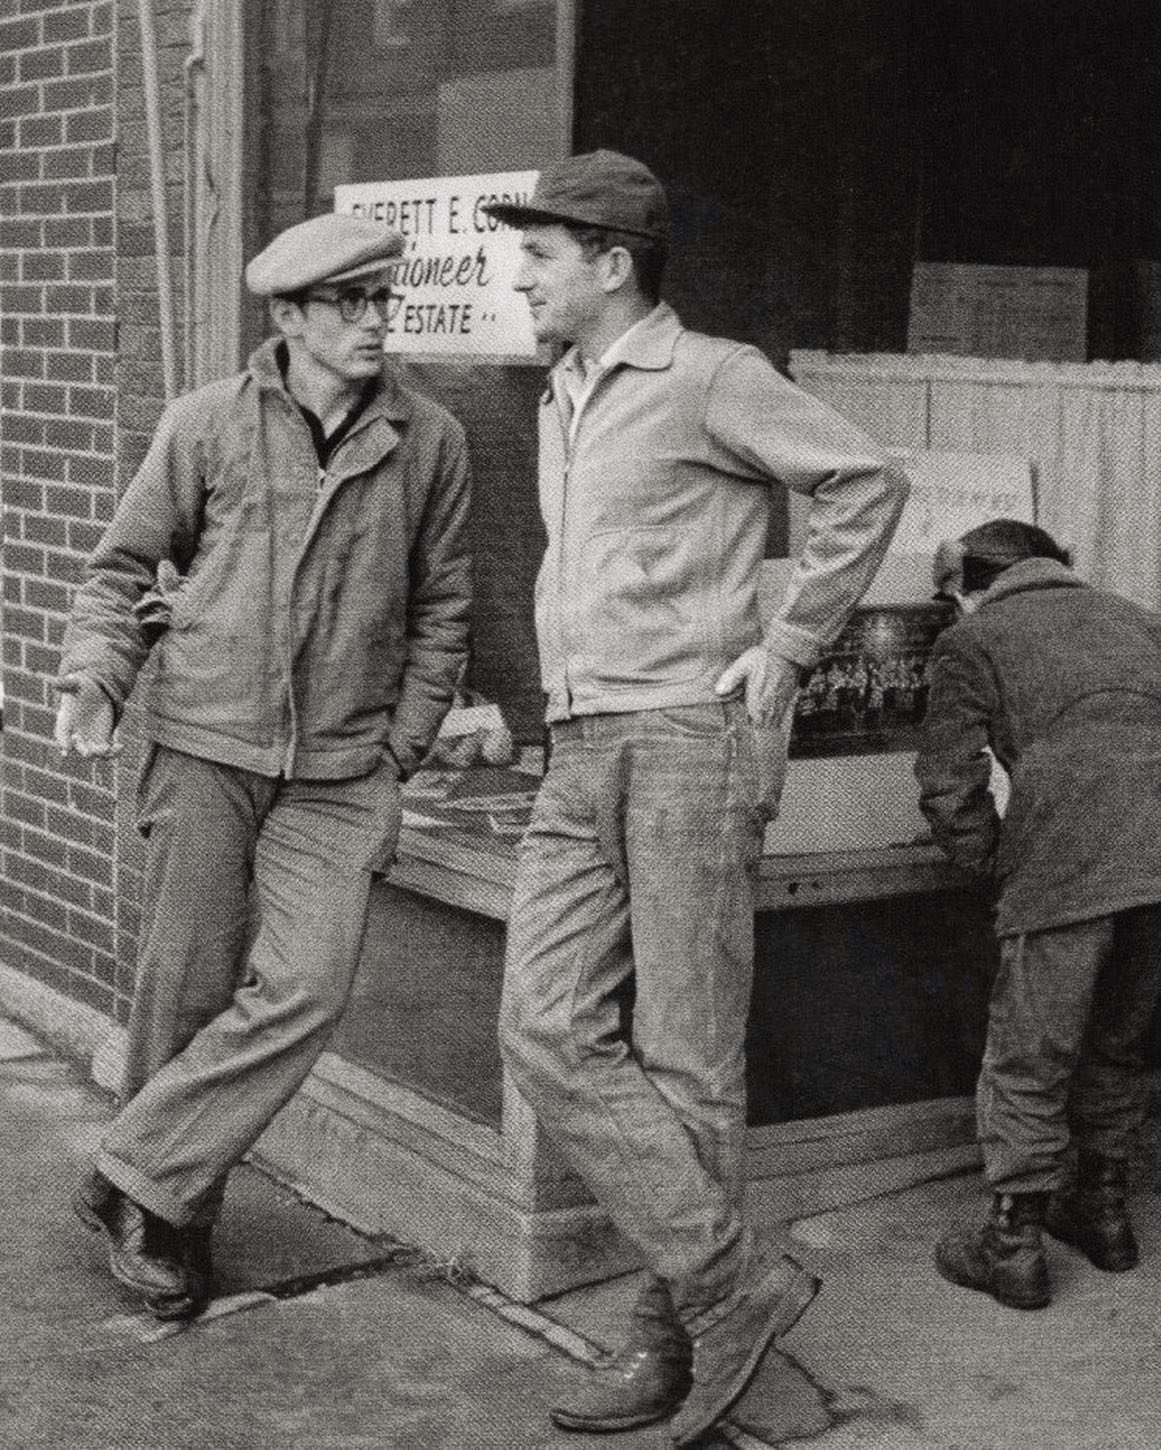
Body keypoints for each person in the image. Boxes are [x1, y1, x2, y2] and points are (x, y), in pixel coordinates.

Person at [484, 150, 908, 1445]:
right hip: (579, 742)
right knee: (545, 1022)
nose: (521, 274)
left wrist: (786, 649)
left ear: (613, 265)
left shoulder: (712, 374)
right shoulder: (558, 394)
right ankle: (732, 1284)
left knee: (685, 1057)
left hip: (684, 739)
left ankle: (669, 1334)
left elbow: (863, 482)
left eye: (542, 254)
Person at [55, 213, 472, 1319]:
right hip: (204, 747)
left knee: (306, 988)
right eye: (351, 303)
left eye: (386, 300)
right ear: (288, 317)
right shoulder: (208, 426)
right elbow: (119, 572)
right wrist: (94, 679)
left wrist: (400, 745)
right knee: (186, 986)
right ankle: (174, 1219)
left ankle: (127, 1169)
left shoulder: (429, 440)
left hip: (343, 769)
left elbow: (444, 607)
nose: (377, 320)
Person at [916, 518, 1161, 1310]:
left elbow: (950, 781)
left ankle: (1012, 1245)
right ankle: (1103, 1212)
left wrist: (988, 860)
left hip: (1067, 864)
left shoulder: (975, 638)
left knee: (1029, 1054)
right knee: (1121, 1043)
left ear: (966, 584)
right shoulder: (1137, 617)